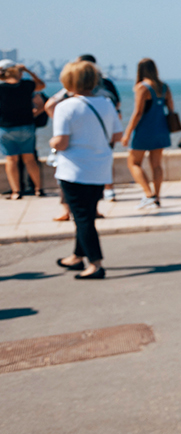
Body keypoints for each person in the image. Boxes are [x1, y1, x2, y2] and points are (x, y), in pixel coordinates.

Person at [50, 60, 122, 280]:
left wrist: (52, 143)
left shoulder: (66, 107)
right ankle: (76, 256)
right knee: (87, 214)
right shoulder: (106, 103)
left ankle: (95, 263)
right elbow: (117, 135)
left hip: (74, 170)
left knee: (82, 218)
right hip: (99, 168)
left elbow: (61, 142)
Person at [121, 58, 174, 211]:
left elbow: (137, 112)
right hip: (161, 128)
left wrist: (127, 133)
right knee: (156, 164)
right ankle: (157, 196)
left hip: (145, 129)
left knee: (134, 162)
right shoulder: (164, 87)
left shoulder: (142, 87)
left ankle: (148, 194)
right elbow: (171, 108)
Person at [0, 60, 45, 200]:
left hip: (6, 128)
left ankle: (16, 191)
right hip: (27, 126)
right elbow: (41, 85)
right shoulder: (26, 85)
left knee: (11, 160)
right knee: (30, 159)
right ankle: (38, 189)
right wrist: (28, 71)